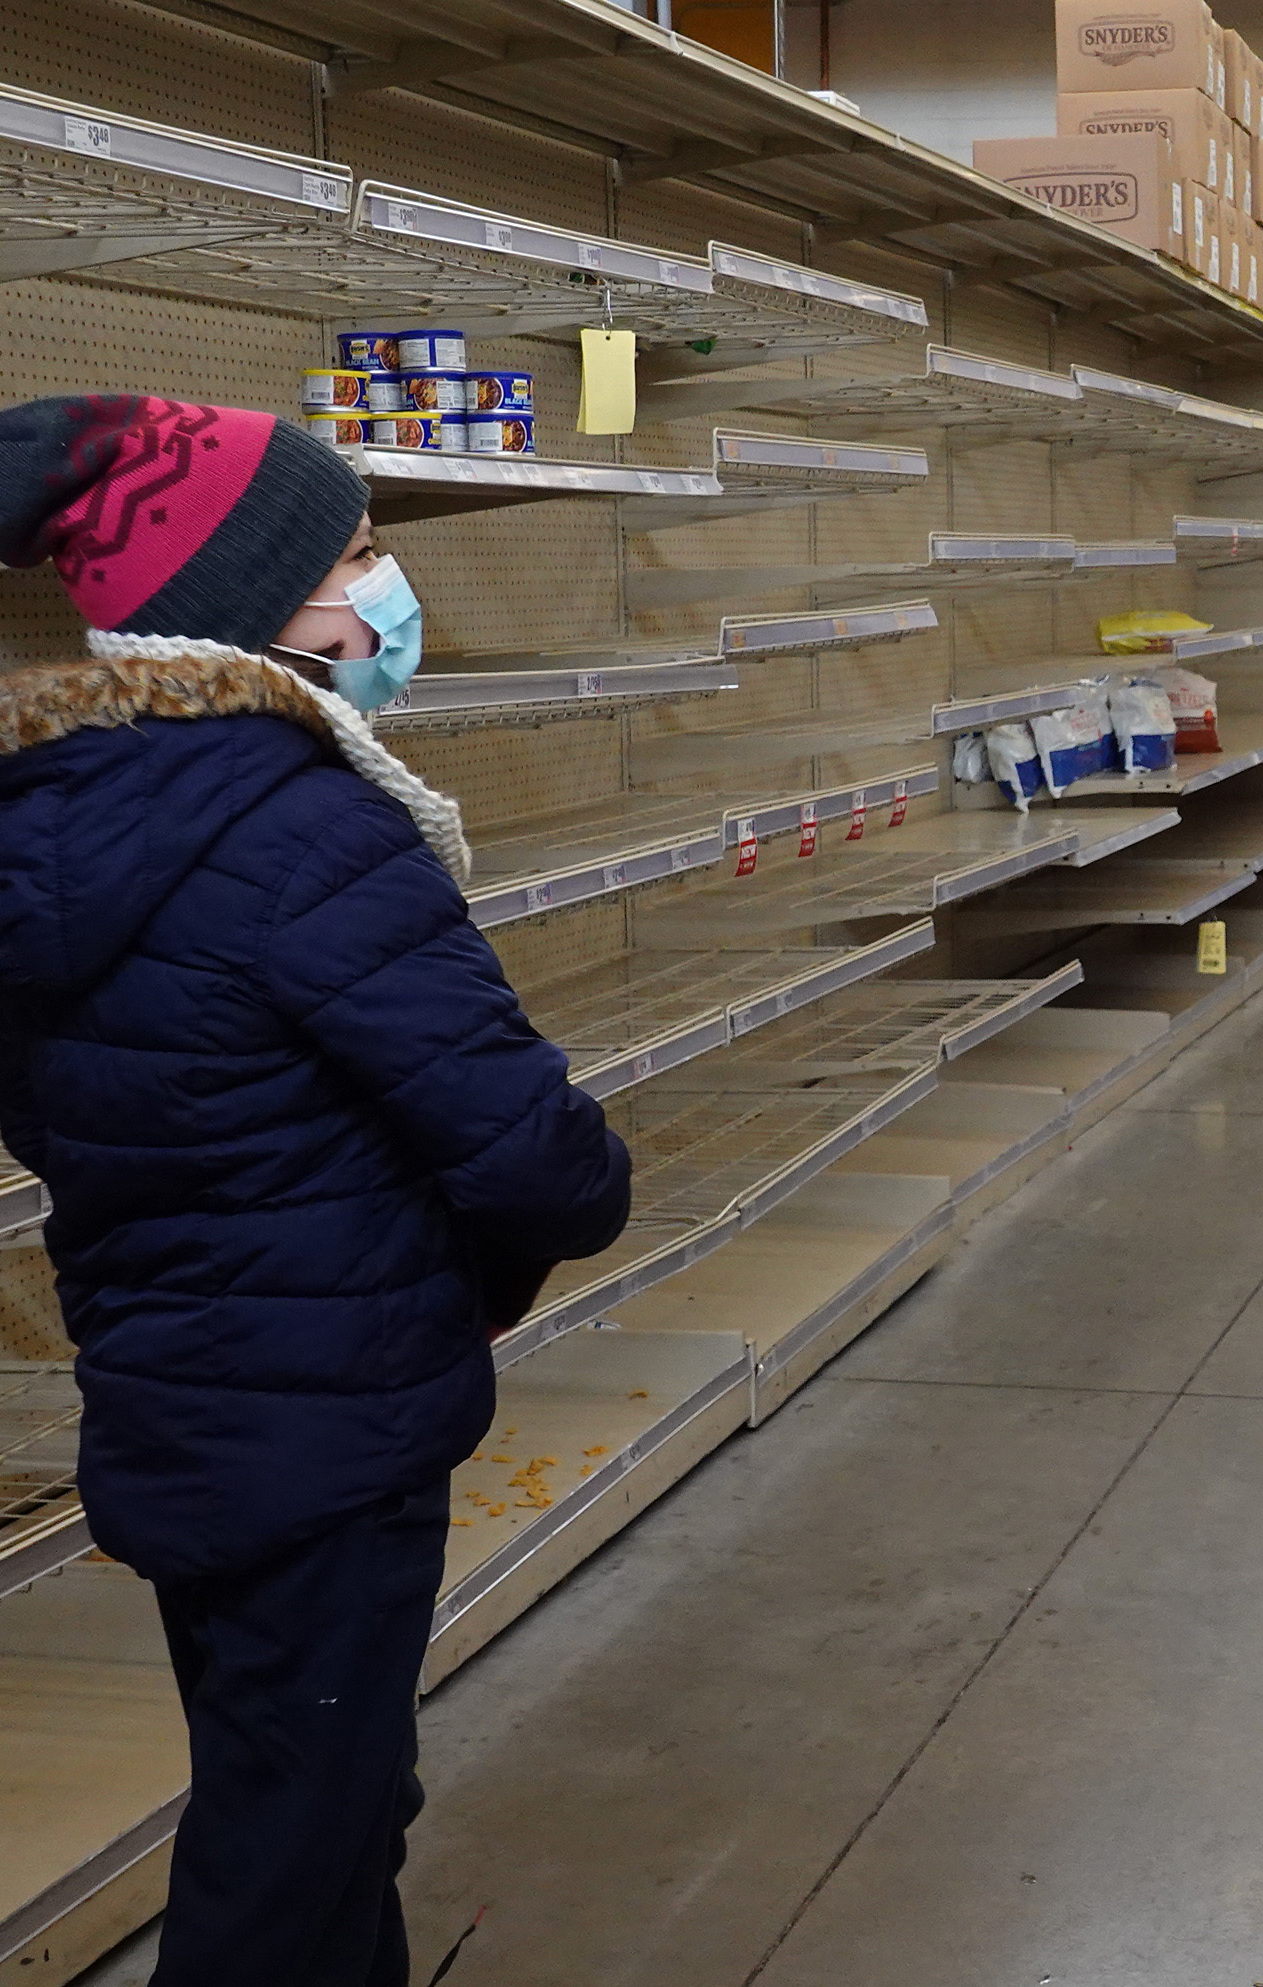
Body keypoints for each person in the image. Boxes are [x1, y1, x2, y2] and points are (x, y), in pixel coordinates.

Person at [0, 395, 633, 1987]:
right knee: (289, 1848)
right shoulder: (306, 827)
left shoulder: (58, 823)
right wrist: (508, 1239)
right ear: (249, 603)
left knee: (314, 1792)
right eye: (356, 551)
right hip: (332, 1428)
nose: (388, 584)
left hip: (180, 1403)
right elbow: (532, 1155)